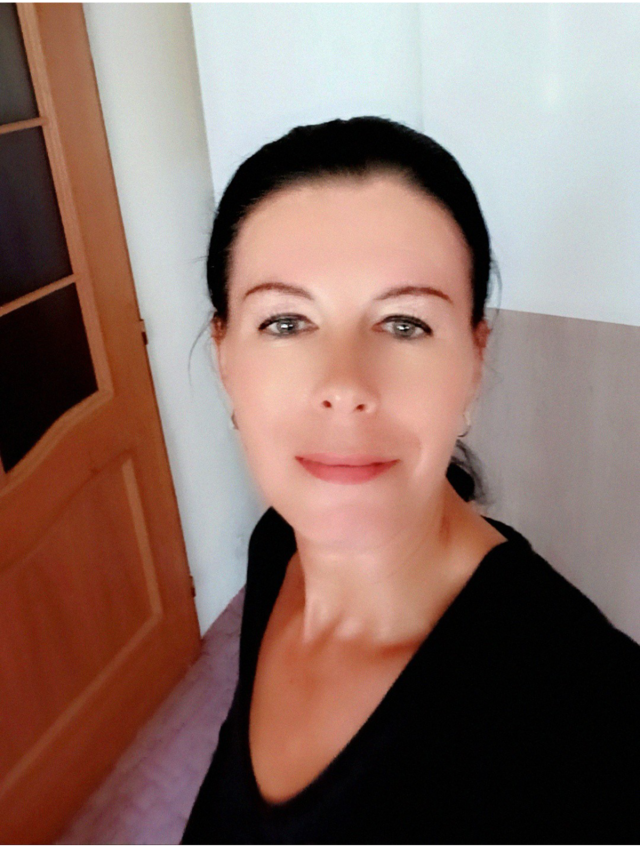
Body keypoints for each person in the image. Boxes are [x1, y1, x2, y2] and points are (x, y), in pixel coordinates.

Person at [181, 117, 640, 844]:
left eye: (403, 324)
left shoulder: (585, 717)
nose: (344, 386)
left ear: (474, 361)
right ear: (225, 358)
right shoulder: (279, 544)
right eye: (286, 322)